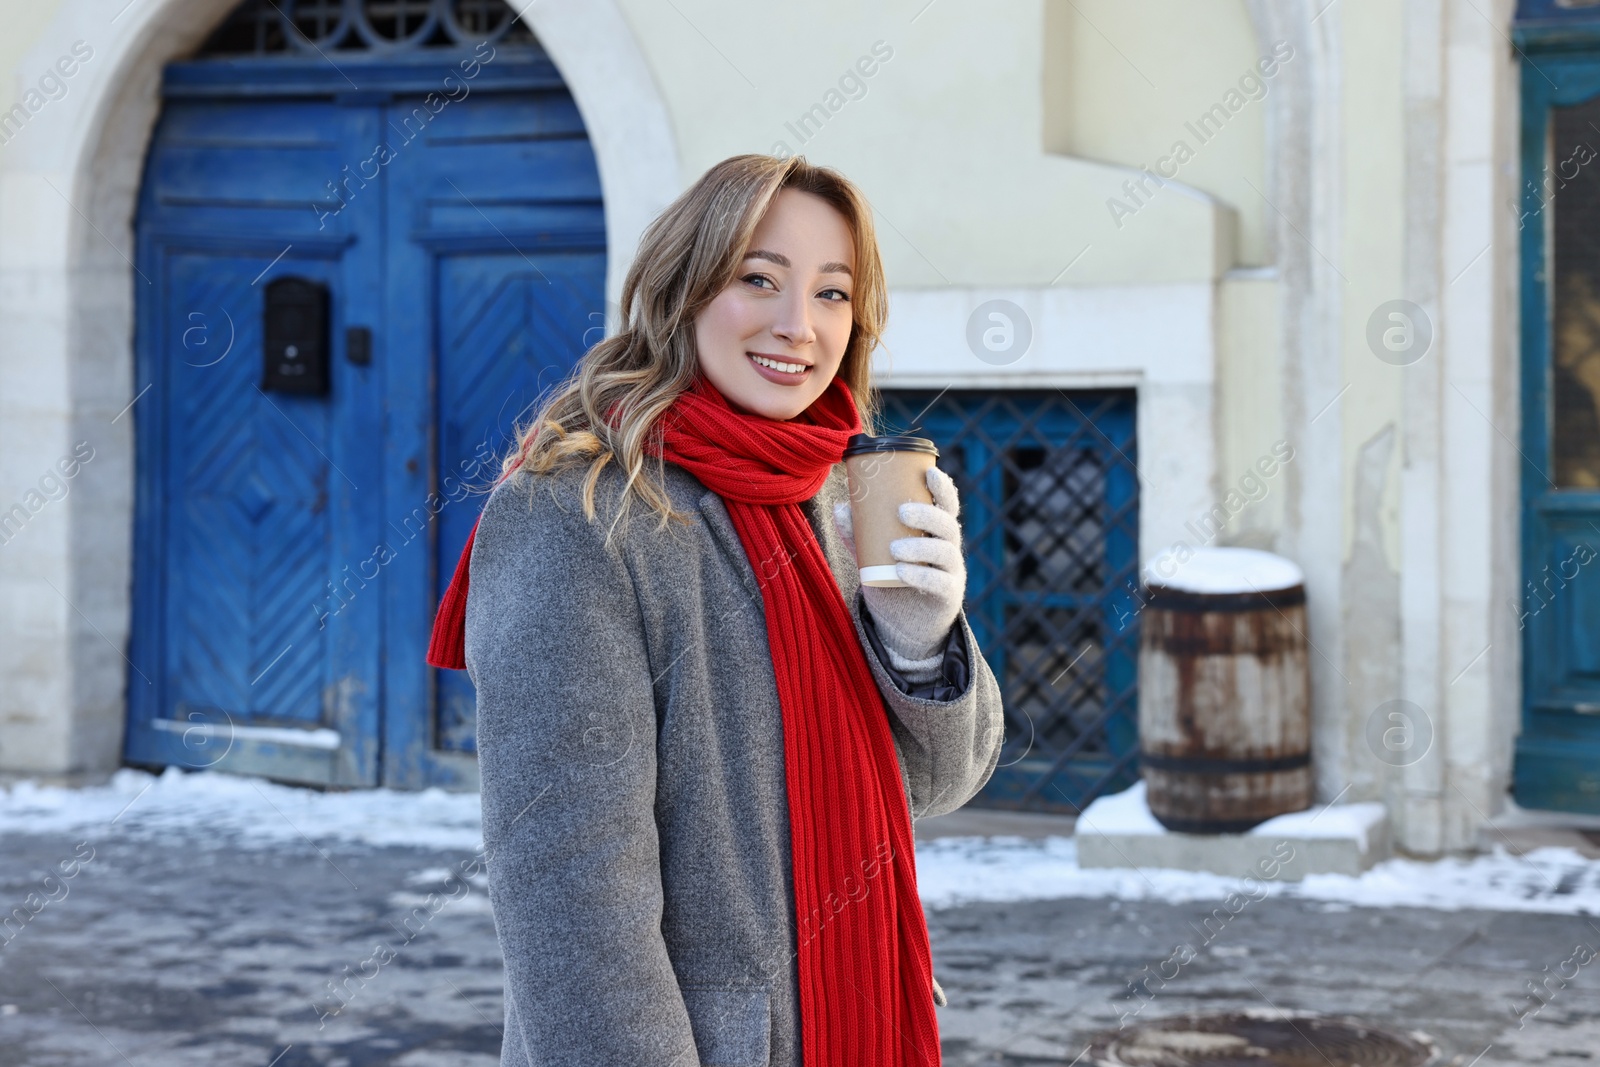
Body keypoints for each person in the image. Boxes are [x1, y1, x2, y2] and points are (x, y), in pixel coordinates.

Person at [427, 153, 1004, 1067]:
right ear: (683, 290)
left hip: (856, 1018)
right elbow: (572, 899)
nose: (796, 326)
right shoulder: (576, 513)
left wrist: (920, 640)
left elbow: (937, 784)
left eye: (831, 294)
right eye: (758, 279)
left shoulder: (836, 496)